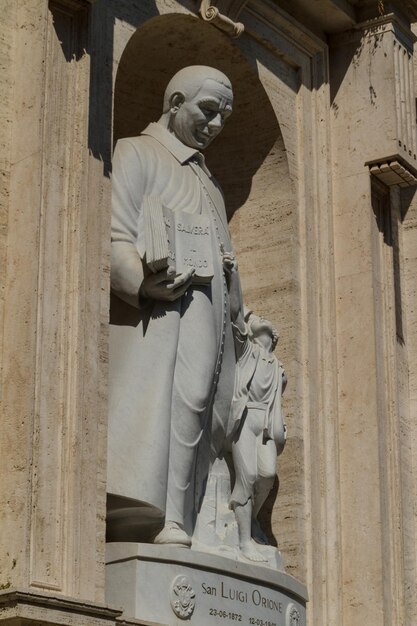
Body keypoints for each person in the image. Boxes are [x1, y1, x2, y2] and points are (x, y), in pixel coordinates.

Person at [107, 66, 238, 547]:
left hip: (212, 316)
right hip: (163, 315)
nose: (217, 125)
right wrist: (143, 284)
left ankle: (191, 517)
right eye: (208, 110)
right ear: (175, 101)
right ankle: (166, 519)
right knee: (178, 400)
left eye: (224, 115)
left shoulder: (209, 180)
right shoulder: (136, 152)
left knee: (203, 405)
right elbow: (113, 234)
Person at [223, 251, 287, 562]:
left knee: (267, 474)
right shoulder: (247, 350)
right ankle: (244, 539)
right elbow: (236, 314)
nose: (256, 322)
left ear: (271, 337)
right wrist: (233, 276)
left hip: (265, 424)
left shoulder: (278, 368)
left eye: (261, 323)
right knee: (246, 475)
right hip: (245, 416)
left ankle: (251, 523)